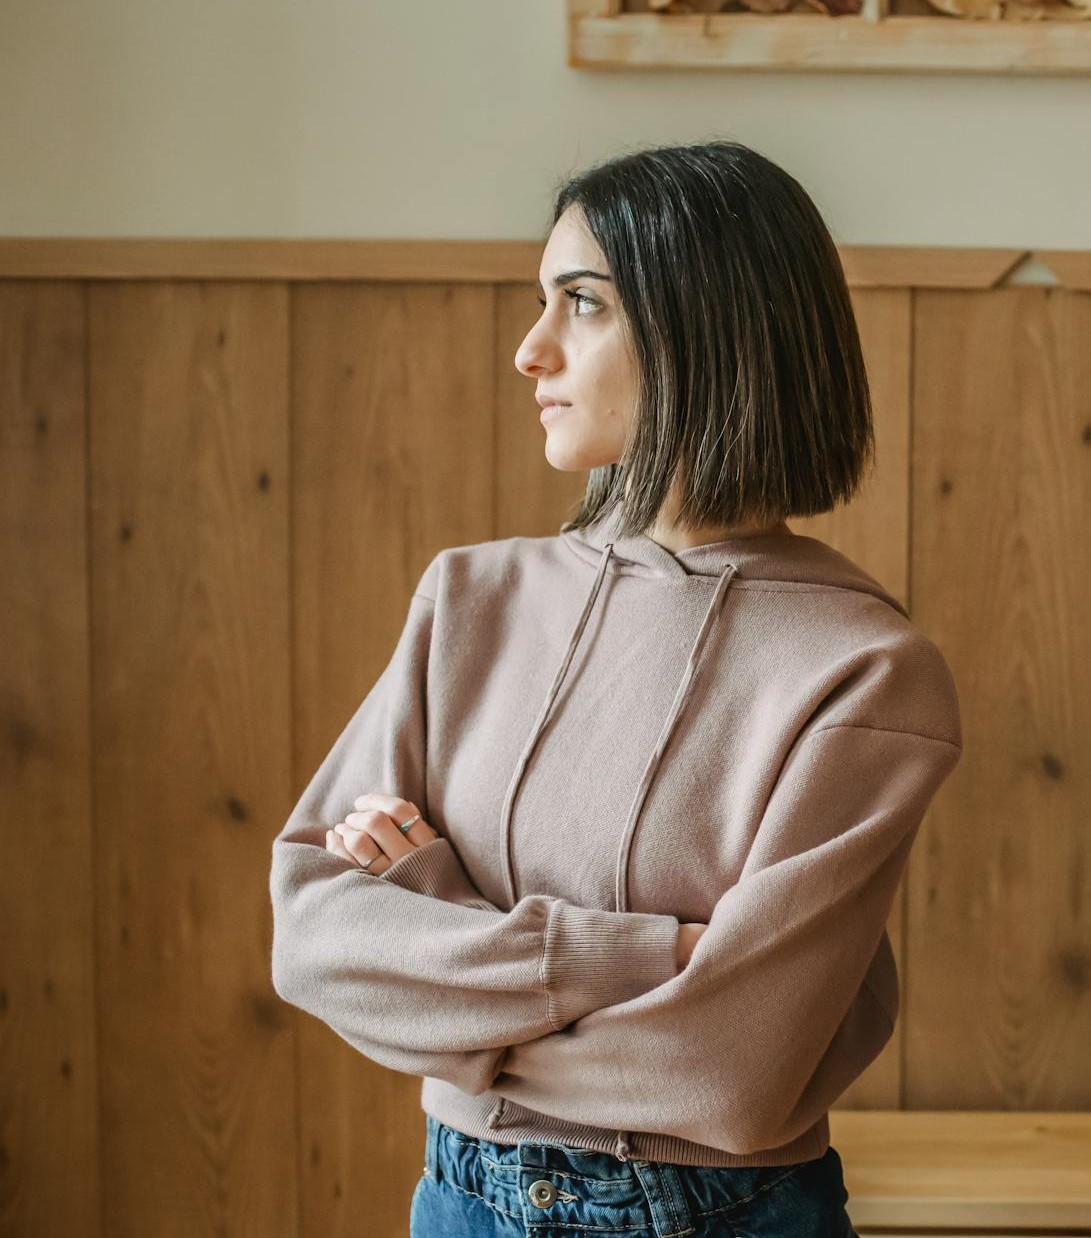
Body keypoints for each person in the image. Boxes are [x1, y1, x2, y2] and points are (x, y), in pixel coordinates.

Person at [268, 139, 962, 1237]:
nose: (527, 350)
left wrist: (437, 929)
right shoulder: (467, 599)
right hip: (457, 1199)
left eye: (580, 303)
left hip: (718, 1213)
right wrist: (653, 952)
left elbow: (727, 1074)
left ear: (710, 330)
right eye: (539, 302)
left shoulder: (863, 670)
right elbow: (313, 936)